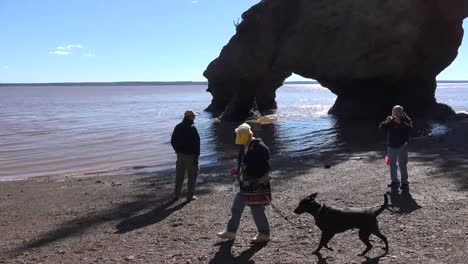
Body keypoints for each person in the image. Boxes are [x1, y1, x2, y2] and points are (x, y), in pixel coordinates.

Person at [217, 123, 272, 244]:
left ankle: (264, 234)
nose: (241, 142)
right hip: (244, 184)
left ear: (248, 135)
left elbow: (264, 167)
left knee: (257, 209)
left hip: (257, 184)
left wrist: (249, 171)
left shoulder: (260, 148)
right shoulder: (244, 146)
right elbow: (242, 162)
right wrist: (238, 171)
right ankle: (231, 231)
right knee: (236, 207)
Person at [379, 105, 413, 188]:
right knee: (392, 164)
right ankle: (395, 181)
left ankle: (404, 182)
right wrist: (385, 122)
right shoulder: (390, 119)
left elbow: (411, 129)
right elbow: (381, 129)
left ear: (401, 113)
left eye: (397, 112)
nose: (394, 114)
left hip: (402, 145)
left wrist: (400, 123)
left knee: (402, 164)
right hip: (391, 145)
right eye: (393, 112)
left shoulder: (406, 119)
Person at [171, 110, 200, 202]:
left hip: (180, 155)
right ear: (190, 117)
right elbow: (197, 144)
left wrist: (177, 150)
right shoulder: (193, 128)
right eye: (194, 116)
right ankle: (189, 197)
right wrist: (197, 156)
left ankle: (176, 195)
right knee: (192, 176)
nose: (195, 117)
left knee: (179, 176)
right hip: (191, 156)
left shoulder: (178, 126)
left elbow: (173, 141)